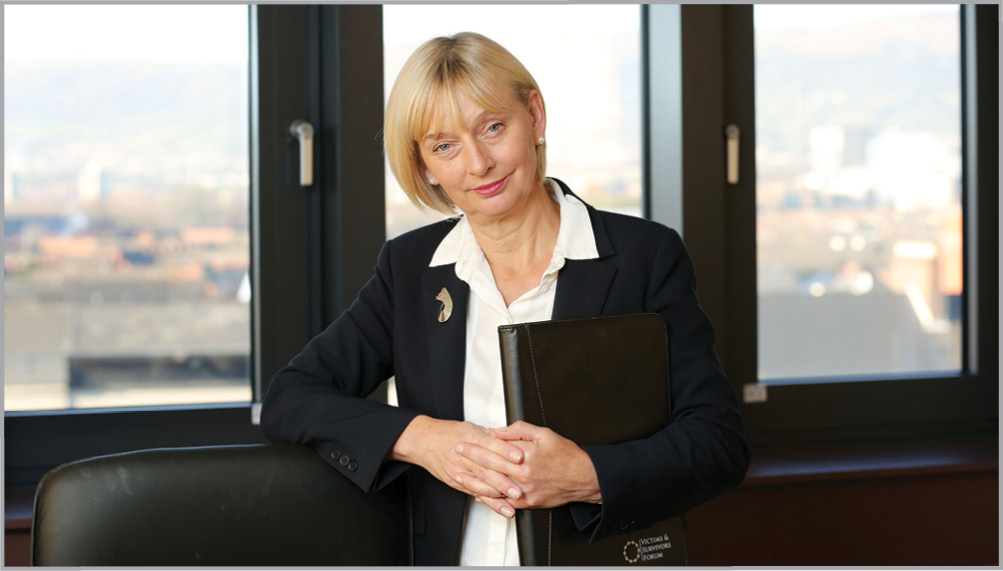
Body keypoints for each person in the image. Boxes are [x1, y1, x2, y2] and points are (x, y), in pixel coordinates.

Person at [260, 32, 749, 566]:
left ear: (534, 117)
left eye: (492, 128)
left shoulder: (644, 256)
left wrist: (584, 475)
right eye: (444, 146)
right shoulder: (411, 269)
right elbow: (291, 397)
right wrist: (424, 438)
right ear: (423, 166)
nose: (478, 163)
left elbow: (718, 443)